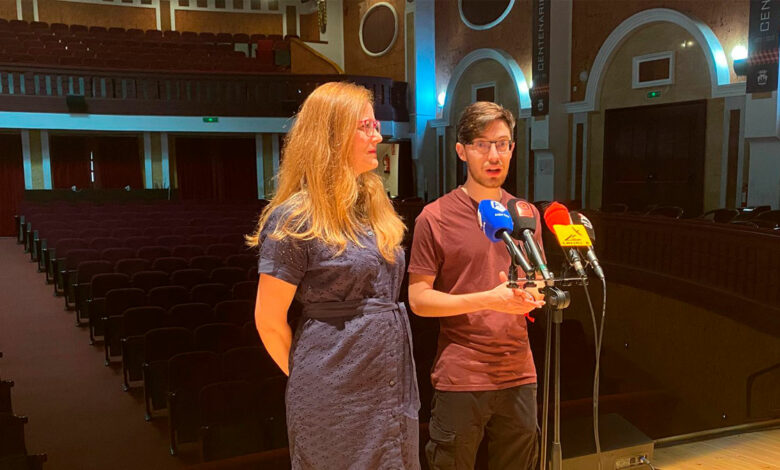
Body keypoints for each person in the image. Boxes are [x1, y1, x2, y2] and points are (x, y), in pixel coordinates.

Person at [247, 81, 420, 469]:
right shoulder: (294, 217)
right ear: (332, 135)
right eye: (365, 126)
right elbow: (268, 321)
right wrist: (317, 381)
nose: (378, 136)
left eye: (376, 125)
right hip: (333, 397)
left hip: (388, 386)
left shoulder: (374, 204)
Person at [407, 101, 546, 469]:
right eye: (482, 145)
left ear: (512, 148)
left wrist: (532, 296)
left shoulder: (525, 214)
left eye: (502, 144)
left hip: (519, 372)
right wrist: (489, 299)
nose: (493, 155)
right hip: (461, 375)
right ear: (462, 151)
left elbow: (537, 283)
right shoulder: (434, 217)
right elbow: (419, 299)